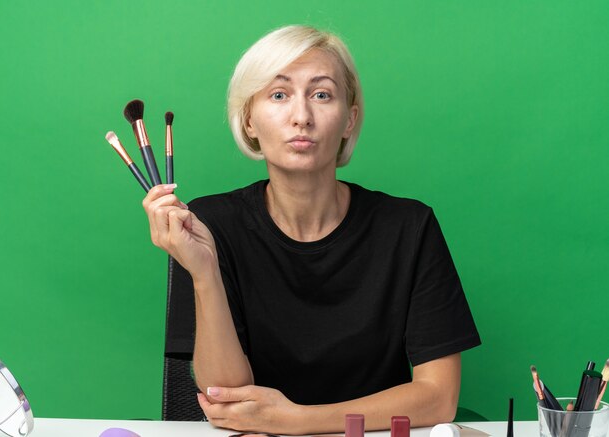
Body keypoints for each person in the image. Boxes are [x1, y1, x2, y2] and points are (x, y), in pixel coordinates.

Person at [143, 25, 481, 434]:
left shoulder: (409, 227)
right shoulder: (208, 224)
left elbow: (439, 398)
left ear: (348, 121)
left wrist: (299, 421)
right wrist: (204, 274)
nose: (301, 117)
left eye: (321, 94)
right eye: (279, 95)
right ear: (249, 119)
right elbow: (226, 397)